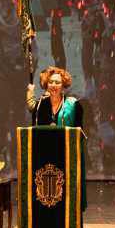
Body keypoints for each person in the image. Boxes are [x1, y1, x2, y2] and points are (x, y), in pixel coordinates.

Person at [26, 66, 87, 210]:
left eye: (57, 82)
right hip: (45, 158)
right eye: (51, 82)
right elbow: (35, 129)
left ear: (63, 85)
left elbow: (79, 133)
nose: (54, 85)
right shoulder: (41, 104)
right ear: (46, 84)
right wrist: (30, 92)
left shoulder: (73, 105)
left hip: (66, 157)